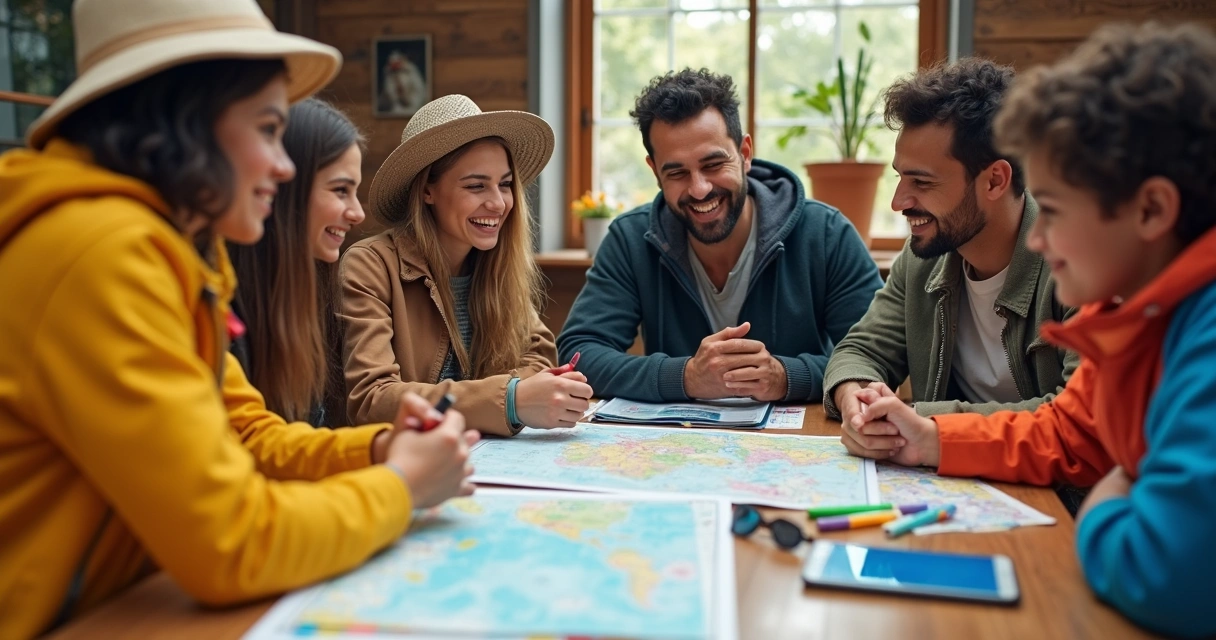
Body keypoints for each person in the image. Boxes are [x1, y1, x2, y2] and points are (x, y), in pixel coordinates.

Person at [0, 2, 475, 637]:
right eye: (269, 129)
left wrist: (377, 446)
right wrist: (401, 485)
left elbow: (246, 434)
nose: (284, 167)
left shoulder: (170, 247)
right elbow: (231, 542)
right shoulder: (104, 252)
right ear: (187, 118)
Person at [845, 23, 1216, 638]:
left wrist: (1112, 492)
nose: (1038, 239)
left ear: (1152, 210)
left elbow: (1165, 575)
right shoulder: (1133, 308)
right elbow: (1072, 432)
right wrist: (929, 439)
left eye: (1056, 209)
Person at [823, 59, 1079, 495]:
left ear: (995, 180)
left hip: (1052, 503)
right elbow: (861, 349)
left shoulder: (1078, 263)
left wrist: (926, 423)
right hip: (950, 489)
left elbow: (1078, 420)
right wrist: (858, 400)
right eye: (900, 178)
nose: (899, 202)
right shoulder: (924, 255)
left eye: (922, 183)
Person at [557, 68, 882, 403]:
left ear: (744, 154)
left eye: (713, 165)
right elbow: (579, 353)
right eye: (677, 172)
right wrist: (685, 377)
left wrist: (786, 378)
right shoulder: (631, 239)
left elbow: (877, 360)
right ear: (655, 171)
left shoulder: (826, 234)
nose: (699, 189)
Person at [341, 94, 592, 434]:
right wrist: (511, 399)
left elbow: (538, 358)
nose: (498, 203)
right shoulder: (370, 266)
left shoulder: (499, 264)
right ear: (427, 191)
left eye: (505, 184)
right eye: (476, 186)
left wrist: (514, 397)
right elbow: (371, 400)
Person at [229, 98, 365, 426]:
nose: (358, 213)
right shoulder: (222, 302)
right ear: (285, 186)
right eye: (341, 190)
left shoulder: (312, 293)